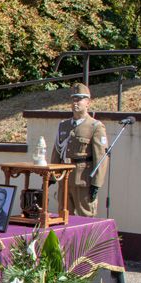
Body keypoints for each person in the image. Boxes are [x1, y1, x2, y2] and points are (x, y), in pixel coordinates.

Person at [50, 83, 108, 217]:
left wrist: (96, 184)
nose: (75, 102)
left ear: (88, 102)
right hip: (64, 179)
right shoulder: (64, 125)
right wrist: (52, 175)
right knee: (63, 216)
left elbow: (101, 157)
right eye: (73, 99)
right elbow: (57, 152)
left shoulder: (95, 126)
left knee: (85, 217)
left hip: (83, 181)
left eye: (79, 99)